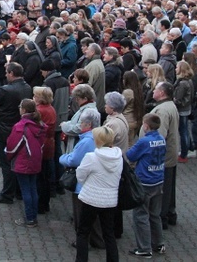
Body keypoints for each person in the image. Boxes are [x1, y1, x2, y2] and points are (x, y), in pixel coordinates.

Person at [74, 126, 123, 262]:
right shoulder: (119, 157)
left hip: (91, 199)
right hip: (110, 200)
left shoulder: (91, 157)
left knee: (83, 232)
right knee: (108, 234)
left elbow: (80, 175)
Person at [59, 108, 102, 248]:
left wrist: (62, 157)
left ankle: (82, 241)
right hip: (96, 183)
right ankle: (97, 240)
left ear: (88, 124)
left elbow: (73, 160)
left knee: (80, 215)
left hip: (82, 185)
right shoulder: (98, 137)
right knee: (94, 216)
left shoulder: (86, 141)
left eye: (82, 122)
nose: (80, 125)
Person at [0, 62, 32, 204]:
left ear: (12, 73)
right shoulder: (27, 88)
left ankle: (7, 193)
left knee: (5, 163)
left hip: (4, 129)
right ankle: (18, 190)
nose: (6, 75)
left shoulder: (6, 90)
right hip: (19, 130)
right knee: (17, 161)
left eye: (7, 72)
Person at [127, 113, 167, 258]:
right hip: (159, 179)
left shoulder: (144, 141)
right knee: (155, 214)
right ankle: (159, 243)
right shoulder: (162, 139)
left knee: (140, 215)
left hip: (144, 181)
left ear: (146, 126)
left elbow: (131, 155)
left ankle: (144, 248)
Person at [140, 81, 179, 230]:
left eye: (155, 89)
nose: (153, 91)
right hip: (170, 154)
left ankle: (161, 217)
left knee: (163, 189)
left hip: (163, 157)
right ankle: (169, 213)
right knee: (169, 187)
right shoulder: (170, 105)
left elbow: (158, 136)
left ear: (162, 93)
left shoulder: (161, 111)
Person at [6, 98, 47, 228]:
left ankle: (30, 218)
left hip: (23, 161)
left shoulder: (20, 126)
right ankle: (33, 217)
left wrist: (8, 155)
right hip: (35, 160)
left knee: (26, 191)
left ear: (23, 110)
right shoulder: (39, 125)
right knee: (33, 188)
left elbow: (12, 145)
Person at [33, 86, 57, 213]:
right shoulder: (51, 109)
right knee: (46, 176)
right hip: (49, 144)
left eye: (35, 96)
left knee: (40, 177)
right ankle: (45, 203)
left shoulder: (40, 111)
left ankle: (40, 205)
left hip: (41, 145)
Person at [173, 60, 194, 162]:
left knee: (183, 132)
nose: (175, 69)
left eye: (177, 67)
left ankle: (184, 153)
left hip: (182, 110)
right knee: (185, 130)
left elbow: (178, 99)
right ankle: (190, 148)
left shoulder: (182, 83)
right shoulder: (189, 81)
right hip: (186, 108)